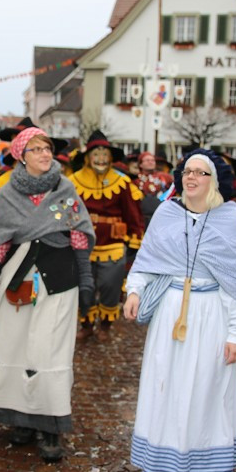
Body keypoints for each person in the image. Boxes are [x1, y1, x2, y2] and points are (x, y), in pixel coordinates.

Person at [122, 149, 236, 472]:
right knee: (165, 383)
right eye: (187, 172)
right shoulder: (167, 214)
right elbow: (147, 259)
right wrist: (135, 291)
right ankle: (162, 460)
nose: (191, 177)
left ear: (214, 181)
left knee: (205, 386)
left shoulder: (230, 220)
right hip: (169, 312)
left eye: (200, 172)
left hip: (211, 317)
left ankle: (203, 465)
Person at [0, 127, 95, 462]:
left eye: (48, 148)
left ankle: (49, 427)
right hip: (19, 280)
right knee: (12, 346)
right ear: (20, 156)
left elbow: (80, 237)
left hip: (60, 280)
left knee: (48, 351)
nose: (45, 154)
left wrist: (86, 281)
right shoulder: (9, 193)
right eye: (37, 149)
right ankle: (18, 418)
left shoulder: (65, 189)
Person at [68, 130, 144, 339]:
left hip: (113, 244)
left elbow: (133, 214)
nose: (100, 159)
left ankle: (106, 325)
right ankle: (86, 323)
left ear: (110, 158)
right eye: (96, 154)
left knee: (111, 287)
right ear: (87, 157)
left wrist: (135, 240)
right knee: (85, 287)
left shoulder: (122, 182)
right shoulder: (73, 181)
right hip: (83, 244)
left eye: (104, 155)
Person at [134, 151, 173, 228]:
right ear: (140, 164)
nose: (150, 162)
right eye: (147, 160)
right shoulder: (135, 179)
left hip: (160, 217)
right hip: (142, 218)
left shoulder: (164, 176)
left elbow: (174, 188)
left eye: (152, 160)